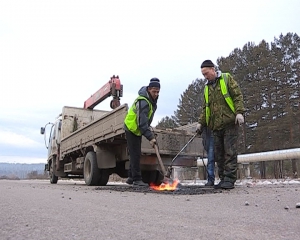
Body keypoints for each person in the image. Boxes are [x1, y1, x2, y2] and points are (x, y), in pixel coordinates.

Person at [197, 60, 245, 189]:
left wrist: (239, 112)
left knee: (229, 152)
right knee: (219, 154)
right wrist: (201, 123)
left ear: (213, 69)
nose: (205, 77)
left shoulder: (226, 78)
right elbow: (205, 108)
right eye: (203, 75)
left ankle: (229, 180)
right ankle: (223, 179)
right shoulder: (207, 88)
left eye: (206, 73)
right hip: (215, 126)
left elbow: (237, 96)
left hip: (229, 122)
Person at [124, 78, 160, 187]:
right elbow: (141, 123)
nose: (156, 94)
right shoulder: (143, 101)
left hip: (137, 129)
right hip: (131, 128)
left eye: (158, 92)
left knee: (135, 153)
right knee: (135, 154)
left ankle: (131, 177)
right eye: (154, 91)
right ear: (149, 89)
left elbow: (145, 120)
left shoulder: (151, 101)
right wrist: (150, 137)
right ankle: (136, 179)